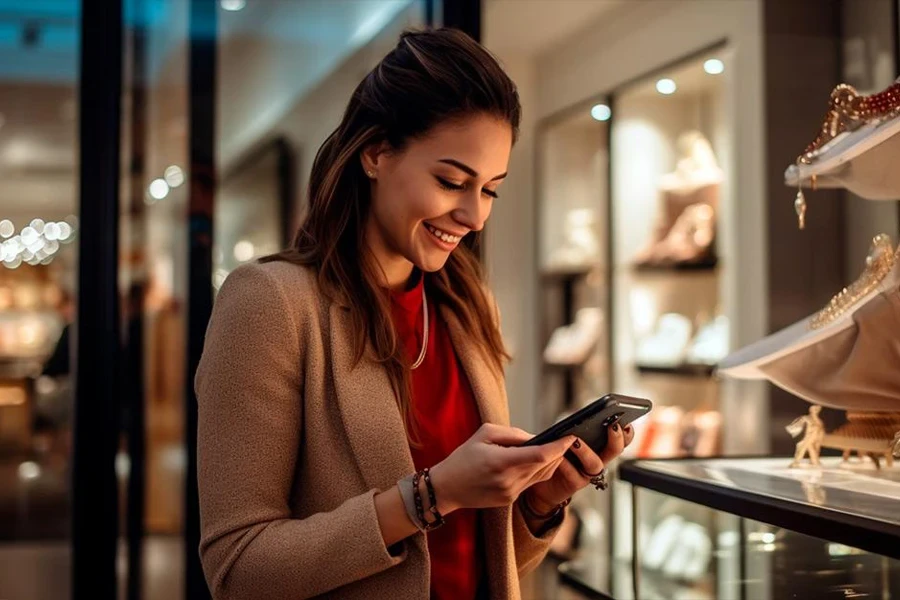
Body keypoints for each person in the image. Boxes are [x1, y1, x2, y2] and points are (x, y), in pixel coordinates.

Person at [195, 28, 634, 600]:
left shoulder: (464, 307)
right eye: (451, 181)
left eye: (491, 190)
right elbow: (237, 569)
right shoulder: (271, 303)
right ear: (375, 153)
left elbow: (474, 563)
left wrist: (540, 501)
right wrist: (429, 497)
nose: (474, 216)